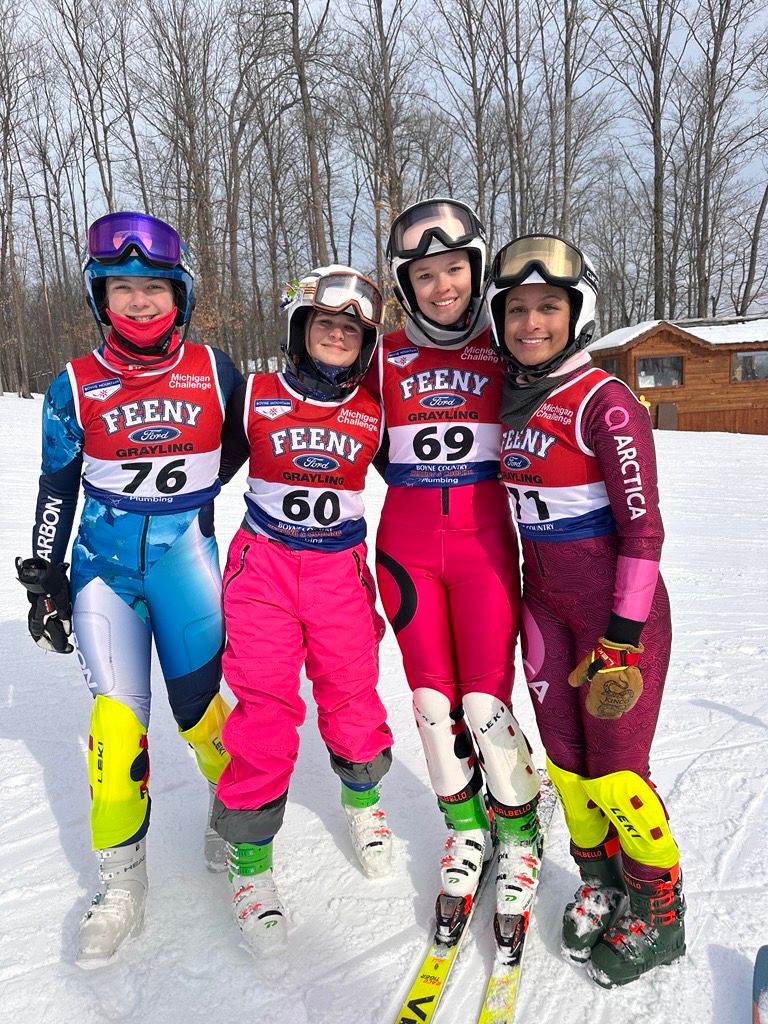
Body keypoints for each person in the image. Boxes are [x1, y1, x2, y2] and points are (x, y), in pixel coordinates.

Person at [15, 211, 244, 968]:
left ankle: (234, 810)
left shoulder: (217, 371)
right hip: (104, 578)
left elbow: (251, 451)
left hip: (187, 568)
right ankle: (120, 885)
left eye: (153, 288)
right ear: (99, 297)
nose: (139, 304)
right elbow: (57, 487)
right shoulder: (73, 385)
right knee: (117, 731)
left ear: (179, 292)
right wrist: (46, 580)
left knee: (202, 714)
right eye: (122, 290)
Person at [485, 233, 685, 987]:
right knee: (568, 769)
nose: (531, 323)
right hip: (548, 610)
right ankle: (602, 880)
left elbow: (644, 529)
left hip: (615, 616)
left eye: (548, 308)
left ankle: (661, 910)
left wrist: (623, 636)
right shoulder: (507, 402)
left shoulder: (606, 401)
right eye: (517, 310)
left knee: (616, 771)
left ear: (577, 314)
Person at [209, 265, 394, 956]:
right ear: (300, 328)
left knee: (351, 691)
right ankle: (251, 862)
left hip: (338, 568)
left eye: (351, 328)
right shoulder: (255, 395)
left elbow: (420, 484)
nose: (337, 334)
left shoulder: (373, 408)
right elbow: (202, 476)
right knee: (264, 705)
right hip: (264, 566)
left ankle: (363, 805)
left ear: (364, 341)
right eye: (325, 324)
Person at [373, 198, 540, 937]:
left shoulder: (505, 345)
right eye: (426, 274)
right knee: (432, 709)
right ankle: (465, 828)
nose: (443, 287)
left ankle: (521, 830)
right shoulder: (381, 353)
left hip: (483, 548)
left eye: (454, 270)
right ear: (406, 285)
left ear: (475, 269)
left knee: (483, 704)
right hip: (406, 550)